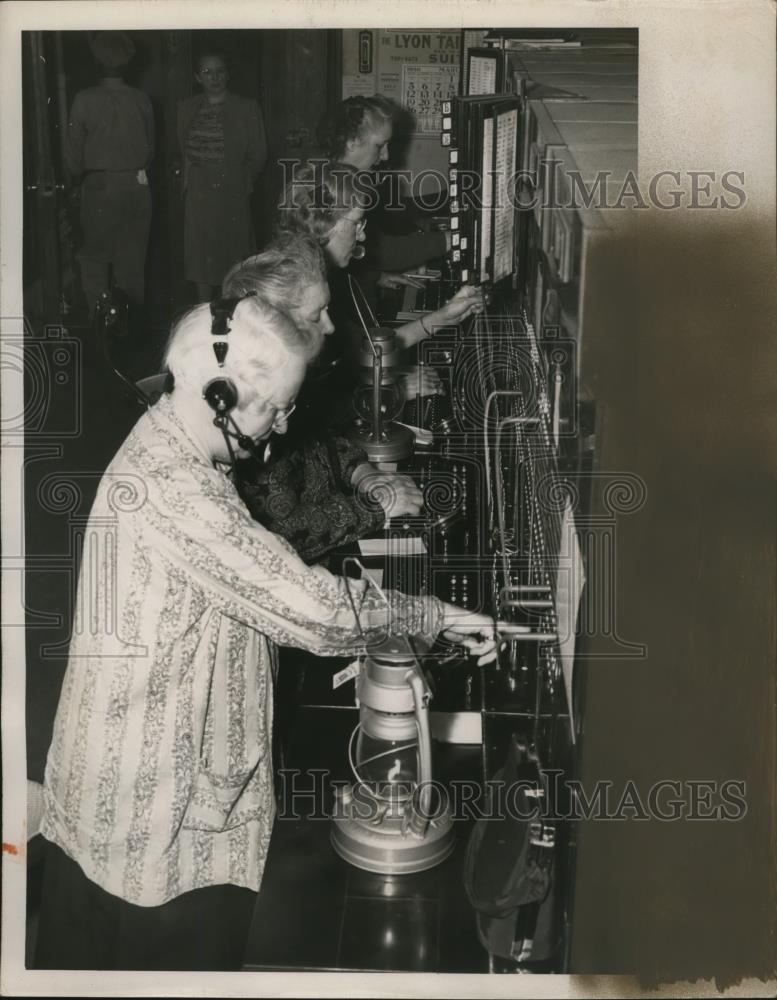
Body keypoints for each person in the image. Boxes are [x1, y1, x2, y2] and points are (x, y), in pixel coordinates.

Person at [34, 294, 497, 971]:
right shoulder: (175, 489)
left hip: (140, 792)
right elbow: (315, 609)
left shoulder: (178, 447)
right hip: (152, 811)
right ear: (223, 394)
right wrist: (434, 615)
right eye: (274, 408)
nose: (279, 429)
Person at [222, 233, 424, 563]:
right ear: (274, 325)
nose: (330, 327)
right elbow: (277, 532)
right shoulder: (251, 403)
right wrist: (372, 507)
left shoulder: (290, 381)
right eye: (317, 315)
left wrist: (363, 473)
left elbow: (319, 441)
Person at [275, 161, 482, 436]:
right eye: (357, 222)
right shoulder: (297, 296)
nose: (362, 235)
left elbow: (366, 349)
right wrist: (392, 394)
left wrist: (443, 318)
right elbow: (309, 418)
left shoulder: (318, 275)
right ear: (325, 224)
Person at [64, 31, 154, 321]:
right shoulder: (141, 99)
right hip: (136, 186)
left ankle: (100, 323)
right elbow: (150, 150)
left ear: (96, 60)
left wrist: (77, 179)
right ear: (127, 63)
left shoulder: (83, 100)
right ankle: (129, 329)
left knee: (94, 260)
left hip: (99, 187)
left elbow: (73, 157)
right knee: (132, 264)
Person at [315, 95, 452, 282]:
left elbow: (393, 211)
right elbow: (382, 249)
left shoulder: (348, 178)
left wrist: (376, 276)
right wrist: (450, 240)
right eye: (380, 146)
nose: (386, 156)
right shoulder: (328, 189)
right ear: (352, 142)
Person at [177, 49, 267, 301]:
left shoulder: (246, 107)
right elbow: (183, 149)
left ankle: (236, 311)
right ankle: (205, 312)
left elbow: (259, 153)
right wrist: (186, 186)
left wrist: (243, 184)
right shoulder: (185, 108)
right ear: (197, 77)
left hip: (233, 188)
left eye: (219, 71)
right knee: (199, 254)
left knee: (234, 254)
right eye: (207, 72)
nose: (214, 78)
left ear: (227, 75)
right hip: (198, 190)